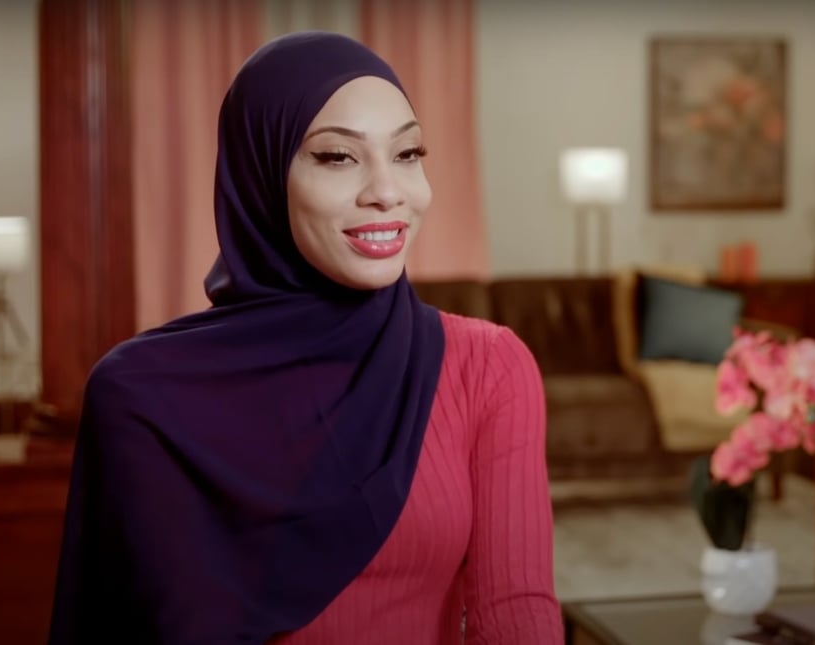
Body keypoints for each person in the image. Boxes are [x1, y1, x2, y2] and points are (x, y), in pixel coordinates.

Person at [47, 32, 563, 645]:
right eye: (338, 157)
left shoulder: (488, 367)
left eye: (407, 153)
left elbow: (517, 618)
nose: (388, 191)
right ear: (261, 178)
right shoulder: (138, 396)